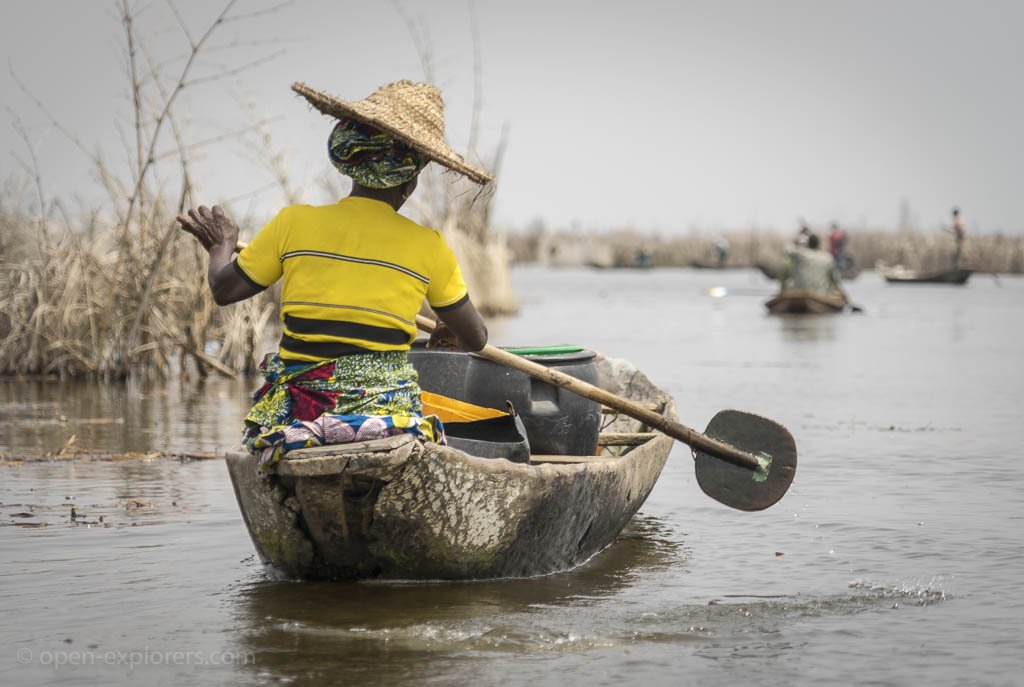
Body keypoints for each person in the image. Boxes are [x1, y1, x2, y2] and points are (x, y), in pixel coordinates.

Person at [177, 80, 491, 467]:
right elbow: (476, 338)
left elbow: (224, 289)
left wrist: (221, 246)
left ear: (350, 163)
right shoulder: (430, 246)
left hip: (300, 418)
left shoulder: (293, 223)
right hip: (388, 420)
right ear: (410, 183)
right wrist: (448, 331)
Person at [779, 233, 848, 302]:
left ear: (808, 244)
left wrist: (796, 241)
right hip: (821, 295)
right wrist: (844, 296)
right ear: (818, 244)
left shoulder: (800, 254)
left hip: (800, 293)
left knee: (789, 283)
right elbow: (836, 280)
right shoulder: (827, 258)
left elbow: (787, 249)